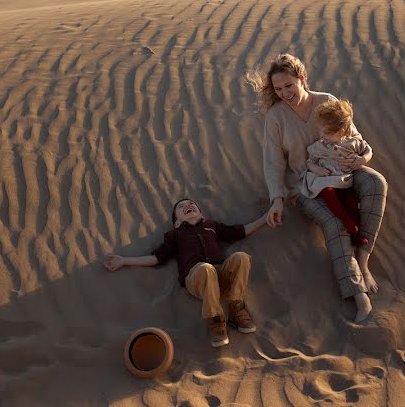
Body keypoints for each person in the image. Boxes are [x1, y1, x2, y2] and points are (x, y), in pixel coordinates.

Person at [247, 54, 388, 323]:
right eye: (278, 89)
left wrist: (361, 159)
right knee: (333, 223)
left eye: (289, 86)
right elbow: (273, 161)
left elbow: (354, 136)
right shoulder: (275, 117)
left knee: (376, 182)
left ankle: (363, 260)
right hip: (306, 184)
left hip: (346, 169)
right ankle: (358, 294)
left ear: (302, 79)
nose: (285, 94)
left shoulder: (326, 101)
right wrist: (277, 198)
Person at [103, 198, 268, 348]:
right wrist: (124, 260)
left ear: (201, 214)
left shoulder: (211, 226)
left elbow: (241, 231)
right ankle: (216, 319)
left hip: (222, 277)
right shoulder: (175, 235)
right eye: (181, 207)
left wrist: (267, 217)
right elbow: (156, 258)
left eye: (192, 204)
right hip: (197, 279)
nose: (187, 206)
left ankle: (236, 308)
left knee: (242, 257)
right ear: (176, 222)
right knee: (205, 268)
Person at [304, 98, 373, 247]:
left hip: (343, 181)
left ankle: (355, 235)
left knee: (351, 203)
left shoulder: (352, 143)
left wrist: (362, 160)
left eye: (327, 133)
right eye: (321, 131)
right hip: (324, 180)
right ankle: (347, 222)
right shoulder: (319, 146)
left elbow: (368, 151)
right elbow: (309, 162)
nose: (322, 136)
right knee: (328, 193)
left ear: (342, 132)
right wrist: (317, 170)